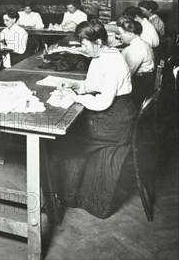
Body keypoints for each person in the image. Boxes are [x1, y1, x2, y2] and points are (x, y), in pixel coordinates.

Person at [48, 19, 134, 219]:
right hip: (112, 111)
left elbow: (104, 101)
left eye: (84, 43)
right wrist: (76, 86)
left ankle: (71, 196)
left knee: (70, 136)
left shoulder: (113, 60)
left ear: (97, 41)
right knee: (72, 131)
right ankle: (69, 195)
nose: (82, 48)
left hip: (116, 118)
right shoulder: (100, 56)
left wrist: (76, 98)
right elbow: (93, 84)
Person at [117, 17, 155, 107]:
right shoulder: (142, 43)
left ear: (130, 33)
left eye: (120, 33)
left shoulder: (136, 49)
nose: (119, 36)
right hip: (142, 81)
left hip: (139, 85)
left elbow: (127, 74)